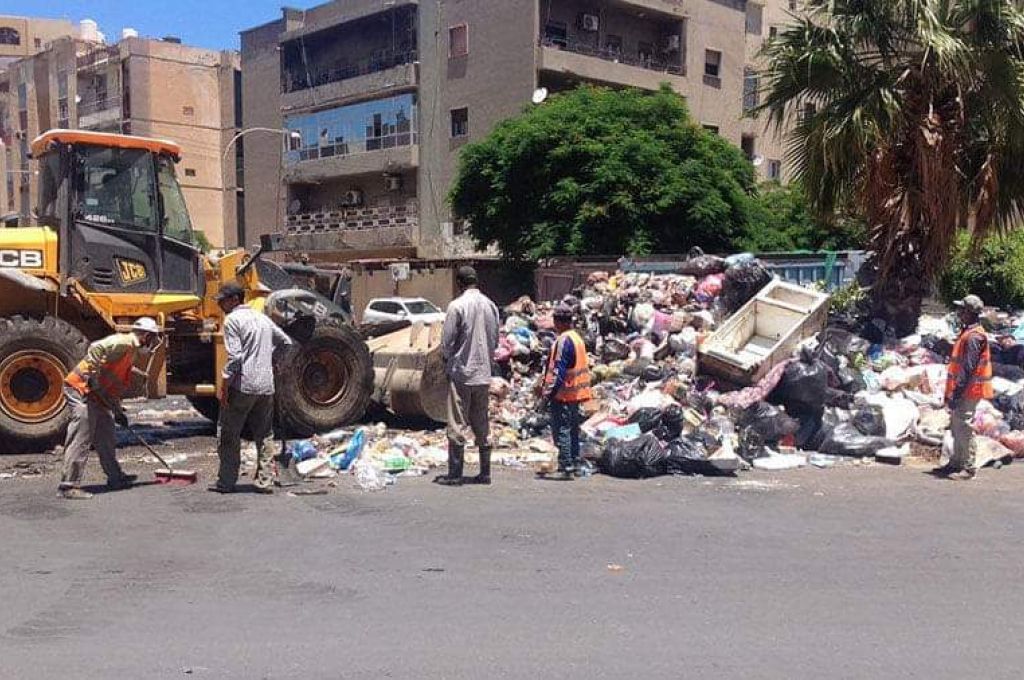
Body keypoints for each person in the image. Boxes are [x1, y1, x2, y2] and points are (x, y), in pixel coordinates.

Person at [57, 318, 162, 500]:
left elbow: (112, 385)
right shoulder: (125, 341)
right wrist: (93, 376)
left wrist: (118, 411)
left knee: (106, 433)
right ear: (146, 336)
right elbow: (96, 347)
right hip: (81, 388)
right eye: (153, 339)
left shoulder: (130, 353)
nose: (153, 344)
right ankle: (68, 486)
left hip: (98, 395)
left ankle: (115, 477)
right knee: (82, 434)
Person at [210, 283, 293, 494]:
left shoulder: (232, 320)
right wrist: (273, 360)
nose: (219, 304)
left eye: (223, 300)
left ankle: (226, 481)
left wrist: (226, 380)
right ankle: (264, 481)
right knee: (264, 434)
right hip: (265, 386)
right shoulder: (263, 318)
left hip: (242, 385)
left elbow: (236, 357)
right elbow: (285, 342)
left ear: (235, 299)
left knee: (229, 434)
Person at [436, 266, 500, 486]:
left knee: (457, 422)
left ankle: (455, 474)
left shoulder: (457, 306)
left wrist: (446, 360)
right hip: (483, 373)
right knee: (482, 422)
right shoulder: (491, 305)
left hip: (462, 373)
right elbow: (496, 340)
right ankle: (485, 473)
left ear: (459, 283)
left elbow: (446, 342)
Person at [936, 294, 993, 480]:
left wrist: (956, 393)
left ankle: (968, 468)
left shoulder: (974, 337)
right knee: (957, 426)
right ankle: (956, 462)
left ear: (969, 312)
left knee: (964, 427)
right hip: (965, 388)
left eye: (962, 309)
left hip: (969, 389)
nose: (959, 312)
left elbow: (968, 368)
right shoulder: (968, 332)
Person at [541, 305, 593, 480]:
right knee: (572, 429)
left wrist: (548, 394)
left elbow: (559, 370)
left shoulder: (564, 340)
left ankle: (566, 466)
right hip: (576, 393)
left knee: (562, 430)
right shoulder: (577, 338)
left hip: (563, 393)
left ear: (557, 322)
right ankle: (575, 463)